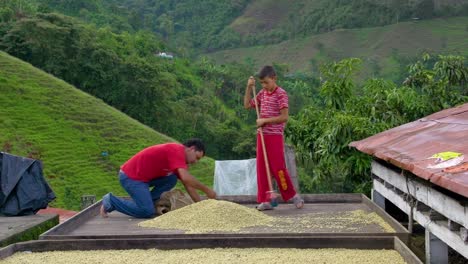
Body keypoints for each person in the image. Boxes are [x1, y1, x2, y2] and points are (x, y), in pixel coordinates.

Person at [100, 138, 216, 218]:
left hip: (146, 178)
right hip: (131, 177)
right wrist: (207, 190)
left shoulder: (181, 162)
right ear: (191, 149)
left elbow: (188, 185)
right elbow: (186, 178)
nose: (195, 162)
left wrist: (201, 206)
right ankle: (111, 201)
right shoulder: (176, 150)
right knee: (146, 211)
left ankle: (148, 201)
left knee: (171, 179)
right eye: (196, 157)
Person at [244, 65, 304, 211]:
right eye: (262, 83)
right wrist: (248, 87)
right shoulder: (262, 93)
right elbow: (247, 105)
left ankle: (293, 195)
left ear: (274, 78)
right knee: (262, 169)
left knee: (278, 168)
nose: (264, 86)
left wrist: (265, 121)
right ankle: (267, 200)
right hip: (262, 136)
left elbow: (284, 117)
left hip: (275, 136)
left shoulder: (281, 94)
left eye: (266, 82)